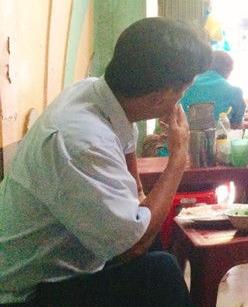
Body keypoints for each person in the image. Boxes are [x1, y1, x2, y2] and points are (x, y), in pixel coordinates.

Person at [0, 17, 212, 307]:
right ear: (159, 96)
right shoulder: (82, 141)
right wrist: (177, 158)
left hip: (63, 269)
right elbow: (133, 246)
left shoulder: (99, 96)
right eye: (182, 90)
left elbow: (135, 187)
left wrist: (142, 204)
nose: (180, 99)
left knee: (153, 236)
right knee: (160, 272)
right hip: (24, 293)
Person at [179, 50, 247, 125]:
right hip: (222, 132)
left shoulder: (185, 87)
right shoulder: (235, 92)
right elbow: (237, 126)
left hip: (183, 132)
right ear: (228, 71)